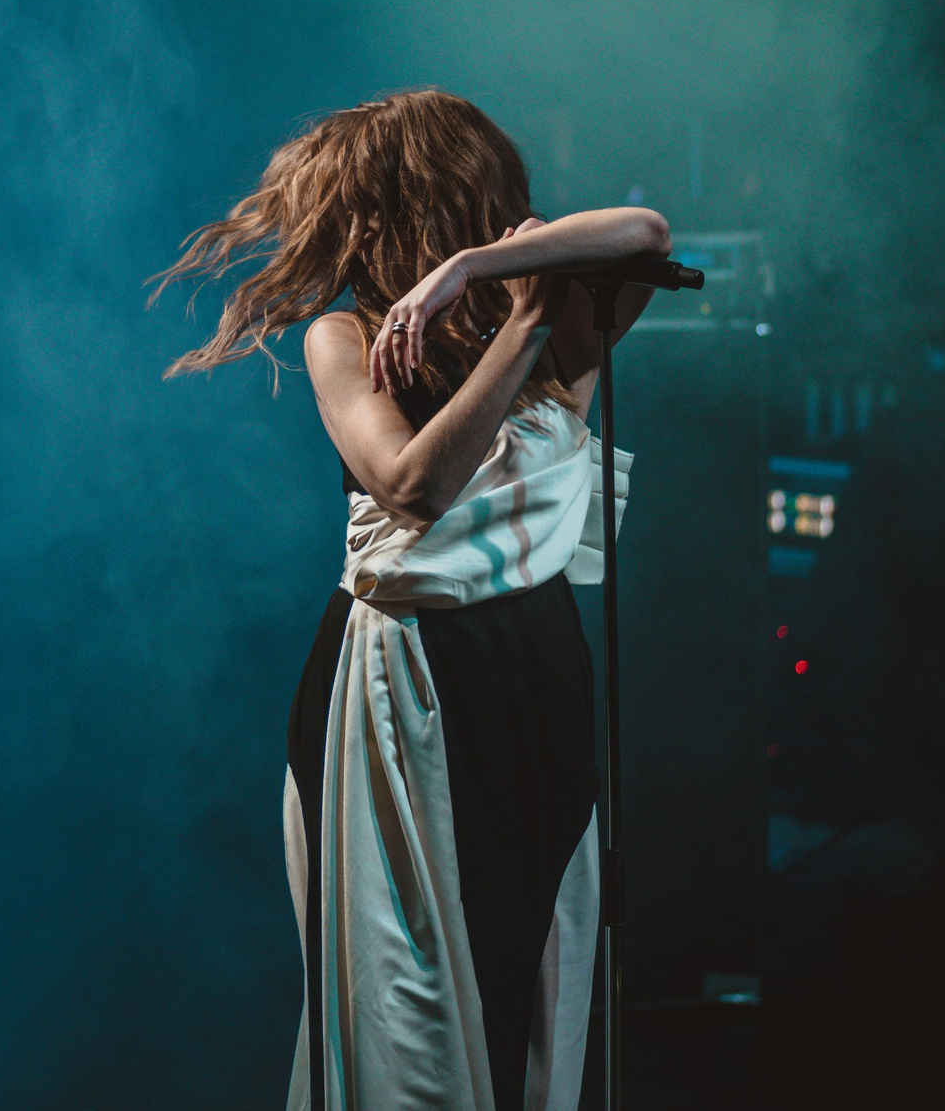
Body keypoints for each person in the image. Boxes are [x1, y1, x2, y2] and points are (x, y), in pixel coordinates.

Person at [153, 88, 668, 1111]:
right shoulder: (340, 338)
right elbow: (412, 485)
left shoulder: (550, 312)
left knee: (532, 954)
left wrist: (484, 272)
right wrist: (520, 329)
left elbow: (646, 231)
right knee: (408, 987)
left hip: (531, 664)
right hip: (402, 676)